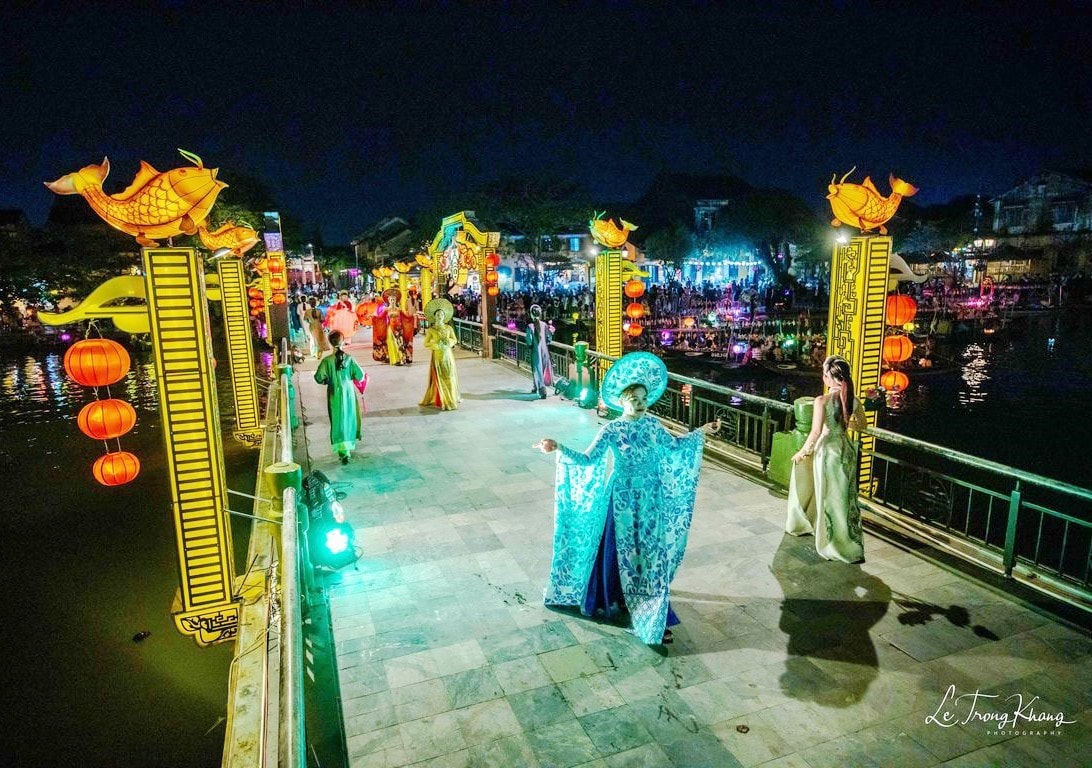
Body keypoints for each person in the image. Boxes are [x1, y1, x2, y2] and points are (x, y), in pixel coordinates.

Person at [534, 352, 719, 645]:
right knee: (617, 551)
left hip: (650, 498)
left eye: (644, 398)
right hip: (620, 498)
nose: (641, 403)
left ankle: (653, 608)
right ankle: (617, 598)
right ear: (622, 401)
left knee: (651, 554)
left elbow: (675, 447)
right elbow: (587, 459)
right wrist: (558, 447)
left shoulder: (653, 426)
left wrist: (701, 433)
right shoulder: (612, 429)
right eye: (634, 398)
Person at [786, 355, 868, 563]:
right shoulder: (853, 400)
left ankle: (830, 539)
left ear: (830, 379)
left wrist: (802, 452)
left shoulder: (822, 401)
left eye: (824, 375)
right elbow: (861, 426)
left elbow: (814, 433)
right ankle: (846, 540)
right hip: (846, 449)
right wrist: (845, 423)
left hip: (827, 451)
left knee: (826, 494)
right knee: (843, 495)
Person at [313, 330, 365, 465]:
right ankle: (347, 448)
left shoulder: (327, 361)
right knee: (349, 418)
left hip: (334, 393)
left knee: (338, 420)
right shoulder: (350, 359)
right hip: (348, 392)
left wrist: (327, 381)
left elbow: (318, 377)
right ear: (342, 341)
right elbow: (360, 375)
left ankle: (342, 450)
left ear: (330, 342)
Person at [419, 298, 460, 410]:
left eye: (441, 314)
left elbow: (455, 340)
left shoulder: (448, 328)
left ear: (444, 316)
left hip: (447, 354)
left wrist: (449, 342)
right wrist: (436, 344)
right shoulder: (431, 330)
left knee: (449, 375)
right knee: (440, 376)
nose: (439, 316)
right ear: (434, 316)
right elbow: (426, 343)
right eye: (437, 315)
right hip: (437, 355)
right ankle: (443, 399)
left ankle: (451, 397)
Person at [526, 304, 554, 398]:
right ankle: (536, 387)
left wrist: (530, 346)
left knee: (537, 369)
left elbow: (529, 341)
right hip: (545, 350)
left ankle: (542, 390)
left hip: (535, 351)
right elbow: (549, 337)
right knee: (543, 369)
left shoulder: (530, 326)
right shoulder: (544, 325)